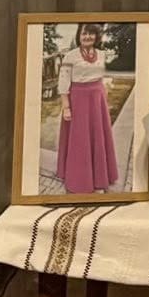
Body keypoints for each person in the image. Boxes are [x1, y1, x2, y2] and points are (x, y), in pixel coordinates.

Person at [55, 22, 120, 194]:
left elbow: (101, 77)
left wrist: (103, 95)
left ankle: (100, 179)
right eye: (84, 33)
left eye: (91, 33)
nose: (87, 37)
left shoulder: (101, 54)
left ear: (96, 36)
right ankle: (80, 180)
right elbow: (63, 82)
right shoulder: (70, 56)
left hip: (97, 100)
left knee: (98, 136)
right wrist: (66, 107)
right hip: (78, 100)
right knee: (80, 139)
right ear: (79, 35)